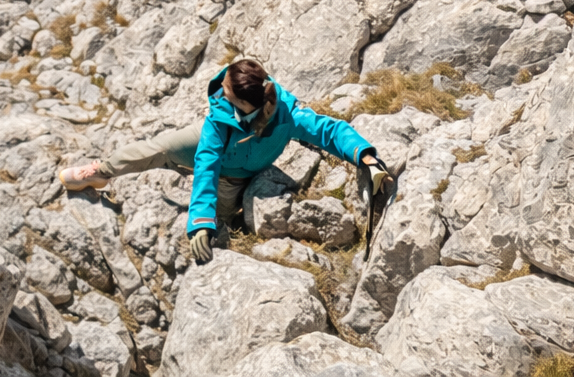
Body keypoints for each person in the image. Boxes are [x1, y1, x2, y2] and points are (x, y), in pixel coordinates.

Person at [59, 57, 394, 263]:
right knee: (158, 148)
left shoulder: (285, 114)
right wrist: (199, 221)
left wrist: (365, 156)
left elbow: (328, 131)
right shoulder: (219, 117)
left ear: (250, 105)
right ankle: (100, 171)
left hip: (236, 175)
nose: (219, 93)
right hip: (217, 155)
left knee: (224, 218)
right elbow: (206, 163)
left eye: (228, 94)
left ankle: (224, 216)